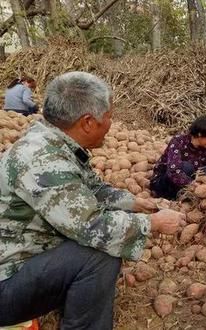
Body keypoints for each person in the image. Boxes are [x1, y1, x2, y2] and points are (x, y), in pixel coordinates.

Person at [0, 72, 185, 329]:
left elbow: (91, 188)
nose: (111, 122)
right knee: (98, 253)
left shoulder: (55, 142)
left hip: (20, 263)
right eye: (109, 115)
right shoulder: (44, 161)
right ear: (88, 122)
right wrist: (152, 223)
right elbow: (92, 227)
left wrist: (132, 203)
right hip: (5, 280)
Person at [150, 114, 206, 200]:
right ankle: (172, 197)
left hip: (187, 186)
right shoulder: (178, 141)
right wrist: (193, 184)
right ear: (200, 134)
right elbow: (172, 171)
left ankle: (188, 197)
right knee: (187, 167)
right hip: (163, 183)